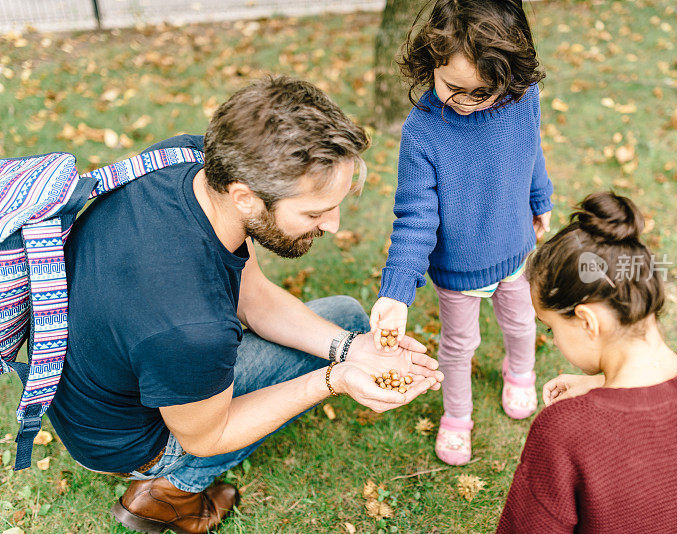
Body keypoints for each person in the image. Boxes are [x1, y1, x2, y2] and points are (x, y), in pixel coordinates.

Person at [46, 76, 443, 534]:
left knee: (345, 326)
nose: (332, 225)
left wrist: (353, 349)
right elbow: (207, 437)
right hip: (129, 440)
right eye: (314, 213)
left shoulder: (188, 162)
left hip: (90, 390)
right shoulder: (192, 326)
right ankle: (167, 490)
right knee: (340, 320)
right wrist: (333, 379)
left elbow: (251, 298)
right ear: (245, 196)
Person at [497, 192, 677, 533]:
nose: (553, 340)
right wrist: (602, 383)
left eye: (551, 327)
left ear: (588, 321)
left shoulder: (565, 431)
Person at [368, 0, 553, 466]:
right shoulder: (422, 133)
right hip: (457, 270)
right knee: (458, 344)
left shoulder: (522, 98)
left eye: (483, 92)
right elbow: (413, 220)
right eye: (455, 87)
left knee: (520, 322)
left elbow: (533, 151)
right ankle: (457, 415)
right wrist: (396, 292)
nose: (468, 102)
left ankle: (521, 372)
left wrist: (541, 199)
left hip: (514, 248)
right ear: (430, 61)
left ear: (509, 74)